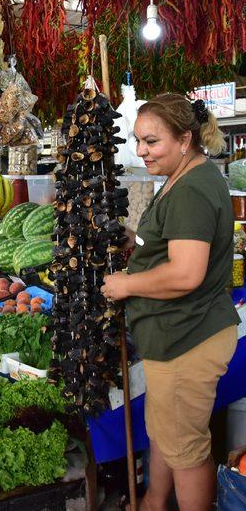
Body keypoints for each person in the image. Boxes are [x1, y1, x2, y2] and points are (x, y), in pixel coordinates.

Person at [101, 93, 240, 511]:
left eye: (152, 142)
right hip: (176, 335)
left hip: (188, 339)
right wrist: (132, 240)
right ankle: (154, 502)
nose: (141, 151)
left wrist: (127, 285)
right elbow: (166, 246)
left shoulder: (192, 189)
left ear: (185, 139)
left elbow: (186, 272)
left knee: (188, 451)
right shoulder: (183, 177)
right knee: (167, 433)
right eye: (138, 141)